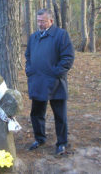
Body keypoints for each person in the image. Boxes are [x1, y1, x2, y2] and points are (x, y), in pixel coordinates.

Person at [25, 9, 75, 155]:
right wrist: (30, 70)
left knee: (60, 115)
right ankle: (40, 138)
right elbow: (28, 55)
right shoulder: (33, 37)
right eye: (38, 21)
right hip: (37, 81)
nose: (40, 24)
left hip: (55, 82)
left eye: (43, 21)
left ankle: (61, 143)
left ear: (51, 21)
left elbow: (68, 58)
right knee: (36, 113)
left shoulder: (61, 35)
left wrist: (55, 73)